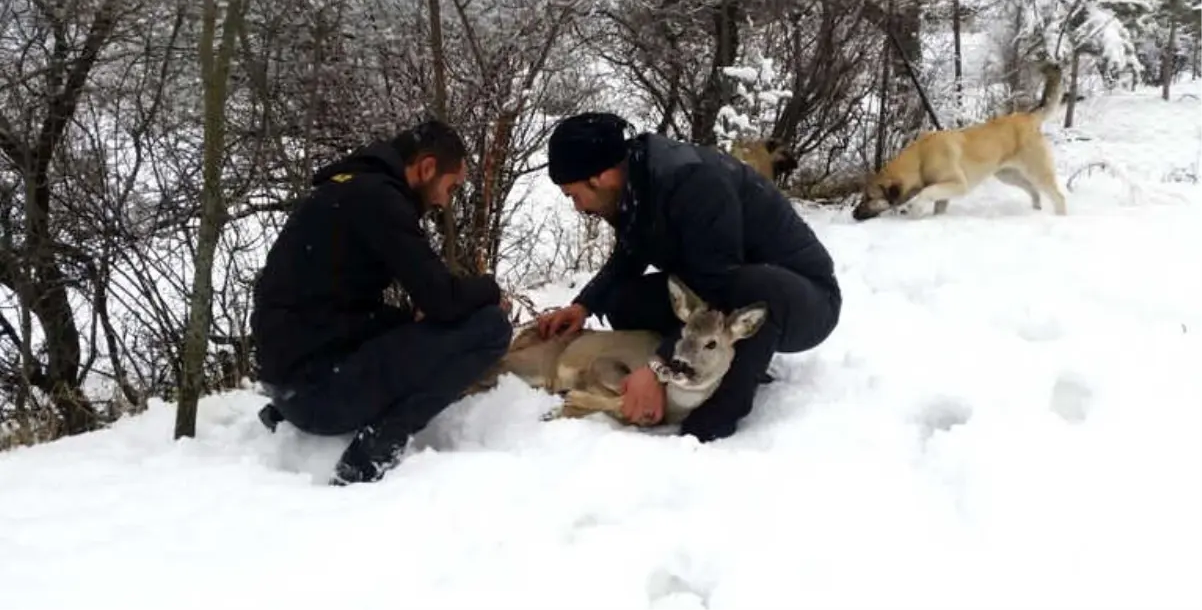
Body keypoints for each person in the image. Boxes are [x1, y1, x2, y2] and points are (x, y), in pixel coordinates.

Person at [536, 113, 842, 442]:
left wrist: (660, 368)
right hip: (721, 287)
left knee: (748, 286)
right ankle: (701, 364)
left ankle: (717, 414)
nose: (578, 207)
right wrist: (584, 305)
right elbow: (631, 252)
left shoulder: (694, 182)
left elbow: (717, 286)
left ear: (601, 177)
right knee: (622, 299)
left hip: (803, 300)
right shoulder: (633, 182)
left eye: (574, 195)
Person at [251, 121, 512, 486]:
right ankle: (377, 447)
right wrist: (491, 290)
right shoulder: (380, 200)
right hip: (318, 397)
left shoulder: (346, 187)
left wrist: (421, 313)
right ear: (426, 168)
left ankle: (286, 412)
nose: (443, 202)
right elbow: (444, 299)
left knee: (412, 322)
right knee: (490, 328)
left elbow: (334, 303)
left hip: (291, 382)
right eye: (449, 188)